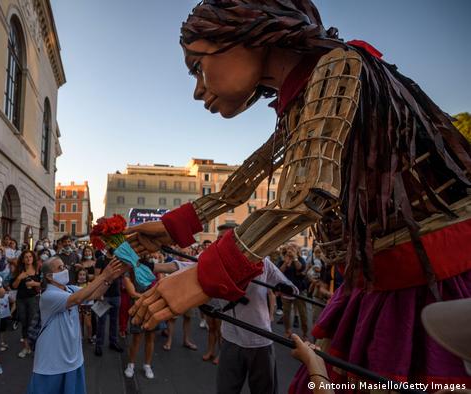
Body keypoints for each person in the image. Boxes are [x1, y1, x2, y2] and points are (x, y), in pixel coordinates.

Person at [124, 0, 471, 390]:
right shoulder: (310, 90)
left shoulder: (339, 66)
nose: (198, 90)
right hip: (383, 282)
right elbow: (246, 180)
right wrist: (174, 227)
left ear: (245, 35)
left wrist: (204, 277)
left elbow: (307, 195)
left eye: (197, 67)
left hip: (423, 286)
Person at [26, 256, 124, 394]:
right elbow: (77, 299)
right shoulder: (48, 295)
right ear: (49, 276)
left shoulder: (70, 288)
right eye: (60, 268)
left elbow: (94, 293)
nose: (64, 269)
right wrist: (104, 275)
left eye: (64, 266)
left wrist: (110, 278)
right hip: (51, 362)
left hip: (73, 358)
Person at [217, 257, 297, 394]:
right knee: (226, 390)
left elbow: (292, 290)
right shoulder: (219, 254)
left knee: (264, 390)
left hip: (260, 338)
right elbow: (189, 267)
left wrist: (286, 289)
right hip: (231, 337)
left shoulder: (263, 260)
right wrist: (166, 265)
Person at [94, 248, 124, 356]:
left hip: (116, 294)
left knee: (114, 321)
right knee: (101, 322)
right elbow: (97, 277)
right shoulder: (101, 260)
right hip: (104, 295)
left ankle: (113, 342)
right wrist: (98, 293)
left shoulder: (118, 260)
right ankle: (99, 345)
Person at [12, 250, 41, 358]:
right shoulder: (19, 270)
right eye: (26, 257)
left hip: (33, 299)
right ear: (23, 260)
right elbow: (13, 286)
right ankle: (26, 347)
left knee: (32, 323)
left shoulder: (38, 270)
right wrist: (20, 277)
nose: (28, 259)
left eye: (30, 256)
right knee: (24, 322)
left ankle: (35, 346)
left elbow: (44, 284)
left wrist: (34, 283)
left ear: (33, 258)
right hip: (21, 299)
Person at [278, 245, 308, 338]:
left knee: (302, 313)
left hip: (299, 290)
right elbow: (279, 272)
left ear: (296, 250)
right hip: (286, 290)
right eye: (289, 249)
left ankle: (305, 333)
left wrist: (294, 258)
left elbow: (300, 268)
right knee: (286, 313)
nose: (290, 250)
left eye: (292, 248)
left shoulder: (300, 259)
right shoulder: (282, 260)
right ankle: (287, 330)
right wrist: (285, 263)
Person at [76, 269, 94, 343]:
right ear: (77, 276)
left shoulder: (89, 284)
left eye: (83, 275)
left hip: (87, 306)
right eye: (80, 275)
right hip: (78, 306)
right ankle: (81, 336)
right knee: (79, 322)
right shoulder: (75, 285)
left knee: (88, 323)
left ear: (86, 276)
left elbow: (93, 294)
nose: (82, 276)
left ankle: (90, 336)